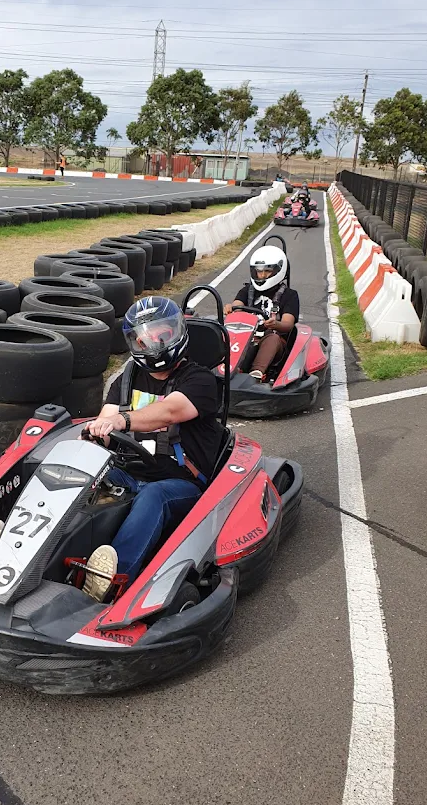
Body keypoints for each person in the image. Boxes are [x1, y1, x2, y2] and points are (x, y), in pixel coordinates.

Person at [80, 296, 225, 600]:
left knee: (153, 495)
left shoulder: (199, 379)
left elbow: (170, 411)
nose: (154, 343)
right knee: (81, 479)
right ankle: (36, 554)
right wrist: (94, 437)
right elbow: (106, 423)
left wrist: (122, 420)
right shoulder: (127, 378)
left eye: (162, 334)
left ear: (177, 332)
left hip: (180, 481)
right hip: (128, 472)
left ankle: (111, 581)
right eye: (144, 337)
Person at [224, 245, 299, 382]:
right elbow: (237, 305)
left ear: (278, 271)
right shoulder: (247, 290)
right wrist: (231, 308)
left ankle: (256, 374)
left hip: (272, 339)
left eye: (267, 271)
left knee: (272, 339)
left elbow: (288, 324)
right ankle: (224, 367)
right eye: (259, 271)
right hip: (245, 336)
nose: (262, 275)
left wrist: (275, 324)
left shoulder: (289, 295)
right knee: (222, 331)